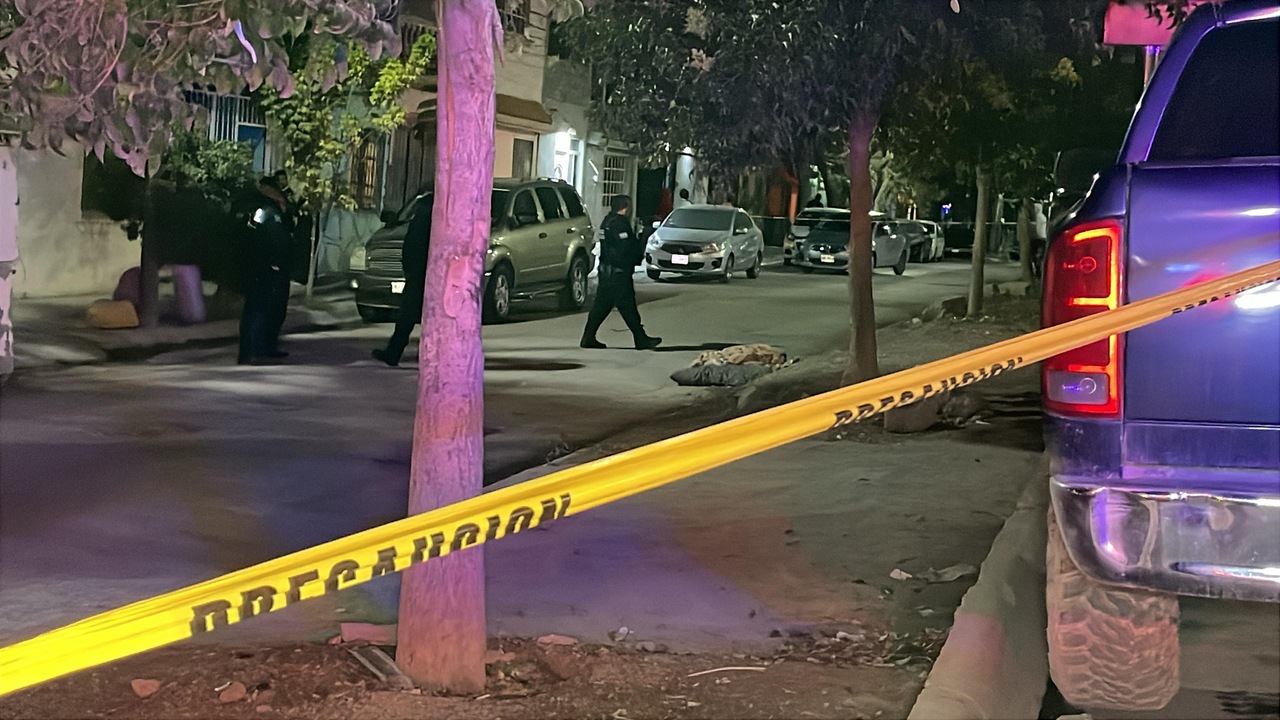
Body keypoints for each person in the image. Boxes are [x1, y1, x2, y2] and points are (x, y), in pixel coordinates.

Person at [580, 195, 661, 351]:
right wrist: (641, 240)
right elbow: (625, 248)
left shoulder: (607, 221)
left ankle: (588, 336)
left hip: (606, 270)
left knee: (602, 306)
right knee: (627, 305)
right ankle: (640, 338)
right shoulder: (619, 223)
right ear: (626, 207)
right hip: (618, 272)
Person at [237, 177, 293, 365]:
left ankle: (263, 347)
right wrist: (272, 261)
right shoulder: (263, 209)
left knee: (267, 309)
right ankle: (251, 351)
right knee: (257, 309)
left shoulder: (271, 208)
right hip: (262, 266)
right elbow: (263, 237)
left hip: (268, 265)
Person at [373, 194, 433, 367]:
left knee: (408, 315)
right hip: (421, 273)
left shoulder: (426, 214)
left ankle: (394, 352)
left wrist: (412, 269)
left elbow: (415, 246)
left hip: (421, 274)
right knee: (409, 316)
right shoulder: (428, 212)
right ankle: (395, 352)